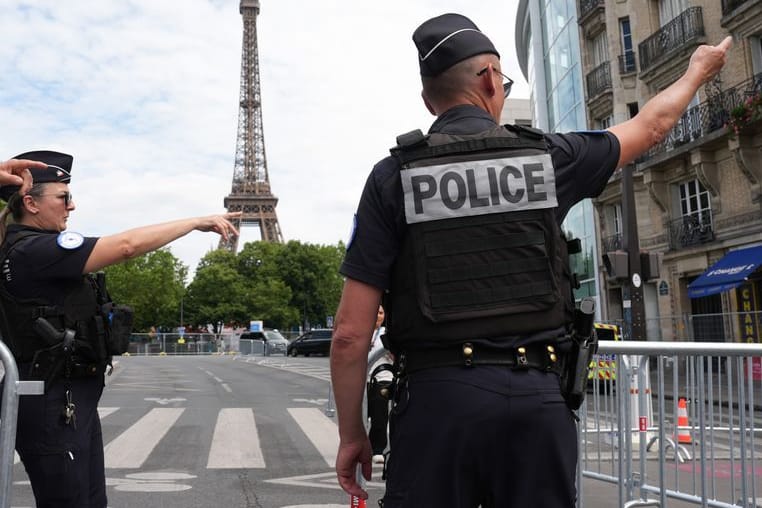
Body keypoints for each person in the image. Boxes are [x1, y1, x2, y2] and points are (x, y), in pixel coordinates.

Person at [330, 12, 731, 508]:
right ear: (490, 79)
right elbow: (652, 126)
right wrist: (696, 70)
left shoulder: (392, 177)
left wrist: (353, 434)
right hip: (534, 403)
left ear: (429, 98)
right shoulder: (546, 159)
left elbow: (350, 334)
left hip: (435, 407)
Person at [0, 150, 240, 508]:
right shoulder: (35, 251)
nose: (72, 205)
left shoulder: (21, 248)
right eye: (64, 197)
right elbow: (127, 246)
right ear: (31, 203)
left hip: (66, 401)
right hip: (53, 405)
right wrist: (194, 222)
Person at [365, 305, 392, 464]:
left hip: (384, 377)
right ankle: (367, 444)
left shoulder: (387, 333)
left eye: (381, 312)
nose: (378, 316)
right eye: (375, 312)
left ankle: (378, 449)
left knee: (379, 415)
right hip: (365, 379)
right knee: (366, 415)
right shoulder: (363, 332)